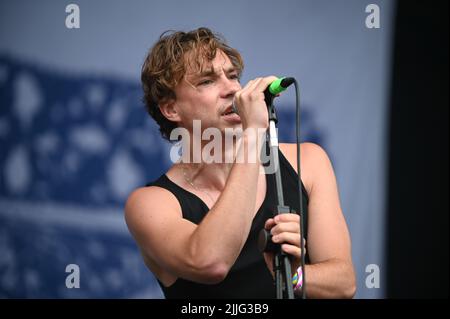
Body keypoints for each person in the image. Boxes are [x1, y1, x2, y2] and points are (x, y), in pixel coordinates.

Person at [125, 27, 356, 299]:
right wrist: (253, 134)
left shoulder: (308, 161)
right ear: (171, 109)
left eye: (232, 76)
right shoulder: (150, 204)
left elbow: (344, 285)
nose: (232, 89)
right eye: (207, 81)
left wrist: (292, 274)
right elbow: (211, 262)